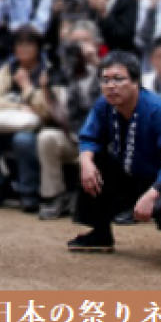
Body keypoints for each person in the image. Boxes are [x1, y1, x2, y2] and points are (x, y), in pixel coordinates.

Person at [68, 51, 161, 265]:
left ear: (135, 82)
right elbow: (89, 137)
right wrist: (86, 162)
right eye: (105, 80)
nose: (111, 86)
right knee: (93, 162)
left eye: (118, 79)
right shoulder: (104, 105)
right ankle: (101, 233)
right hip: (138, 173)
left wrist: (152, 195)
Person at [0, 25, 60, 212]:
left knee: (23, 140)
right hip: (5, 124)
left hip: (36, 129)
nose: (23, 49)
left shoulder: (47, 70)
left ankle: (28, 192)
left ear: (38, 47)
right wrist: (19, 106)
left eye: (29, 44)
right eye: (19, 44)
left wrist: (26, 87)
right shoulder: (8, 69)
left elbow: (46, 109)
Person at [36, 21, 103, 220]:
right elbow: (60, 116)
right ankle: (55, 196)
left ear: (96, 43)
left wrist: (98, 65)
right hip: (73, 137)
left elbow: (123, 103)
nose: (80, 47)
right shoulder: (62, 71)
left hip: (102, 142)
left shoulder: (110, 67)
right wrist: (47, 91)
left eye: (85, 41)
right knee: (47, 137)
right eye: (75, 42)